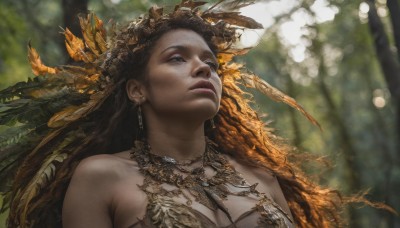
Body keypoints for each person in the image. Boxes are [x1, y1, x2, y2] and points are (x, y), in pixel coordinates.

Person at [1, 1, 345, 227]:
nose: (203, 69)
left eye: (210, 64)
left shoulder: (262, 178)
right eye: (177, 58)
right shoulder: (101, 177)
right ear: (138, 89)